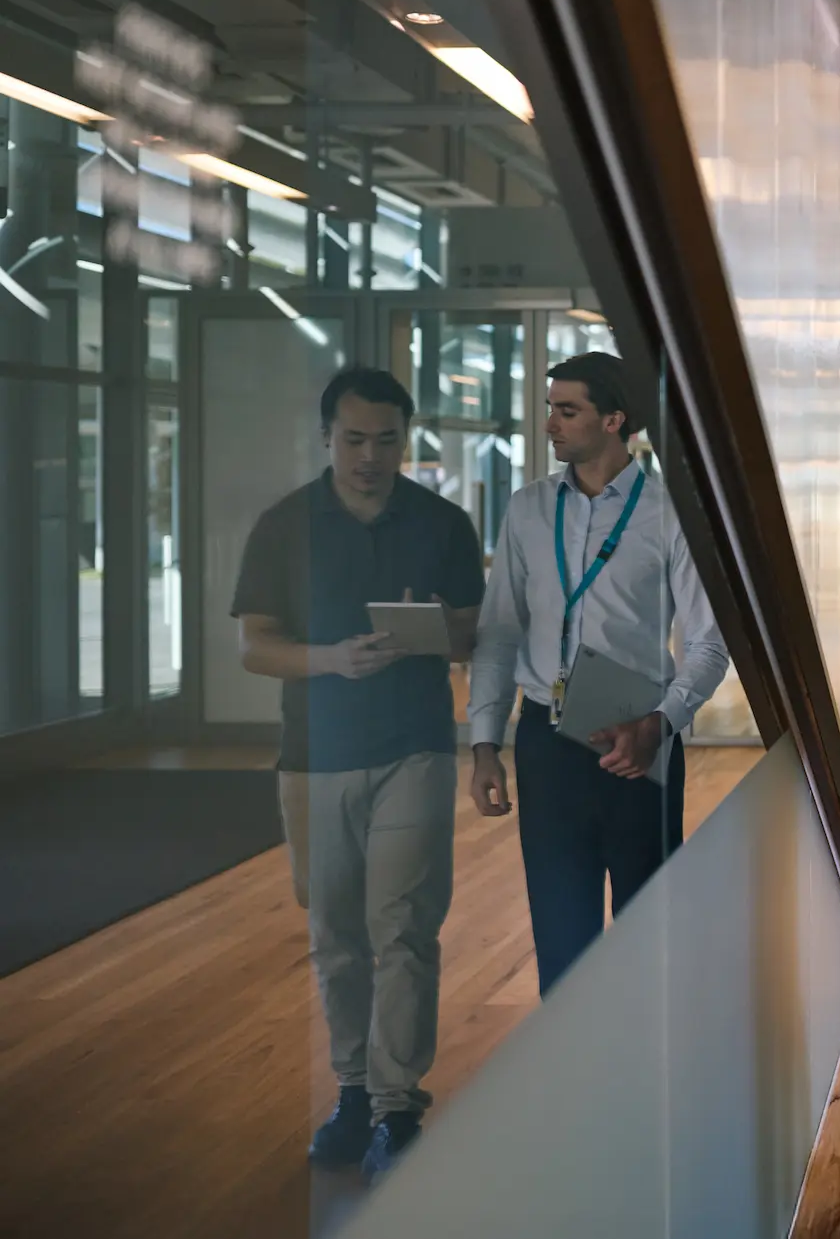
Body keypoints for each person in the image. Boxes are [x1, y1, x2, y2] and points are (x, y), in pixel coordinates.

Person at [233, 367, 484, 1182]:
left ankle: (396, 1103)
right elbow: (255, 645)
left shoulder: (441, 523)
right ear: (325, 437)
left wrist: (433, 632)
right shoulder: (284, 523)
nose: (369, 456)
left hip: (414, 743)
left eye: (386, 440)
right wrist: (333, 660)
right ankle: (351, 1088)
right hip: (314, 754)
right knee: (334, 931)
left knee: (403, 924)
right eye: (353, 440)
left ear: (405, 440)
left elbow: (475, 629)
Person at [467, 351, 729, 996]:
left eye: (567, 410)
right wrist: (483, 743)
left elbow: (708, 643)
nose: (551, 423)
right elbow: (499, 633)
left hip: (636, 743)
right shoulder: (528, 510)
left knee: (648, 929)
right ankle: (574, 1085)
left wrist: (659, 725)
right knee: (560, 932)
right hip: (546, 743)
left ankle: (647, 1082)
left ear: (615, 420)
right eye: (550, 408)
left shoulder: (669, 516)